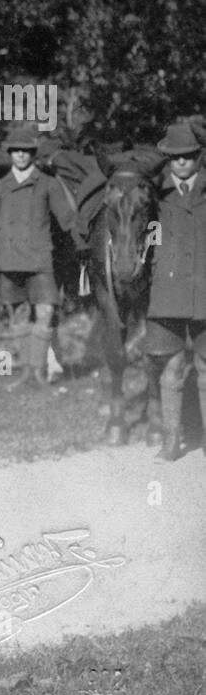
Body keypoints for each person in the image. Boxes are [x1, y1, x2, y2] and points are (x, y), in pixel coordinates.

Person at [0, 126, 76, 389]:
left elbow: (68, 221)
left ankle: (38, 372)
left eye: (26, 151)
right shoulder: (0, 187)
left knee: (46, 311)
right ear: (11, 154)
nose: (21, 156)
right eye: (17, 151)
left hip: (39, 259)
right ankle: (26, 372)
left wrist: (86, 239)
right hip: (9, 258)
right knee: (18, 318)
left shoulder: (48, 183)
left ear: (33, 154)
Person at [146, 123, 206, 462]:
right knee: (170, 366)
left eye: (188, 157)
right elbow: (148, 236)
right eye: (174, 158)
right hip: (167, 290)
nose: (181, 163)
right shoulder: (157, 193)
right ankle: (171, 442)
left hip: (203, 289)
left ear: (199, 157)